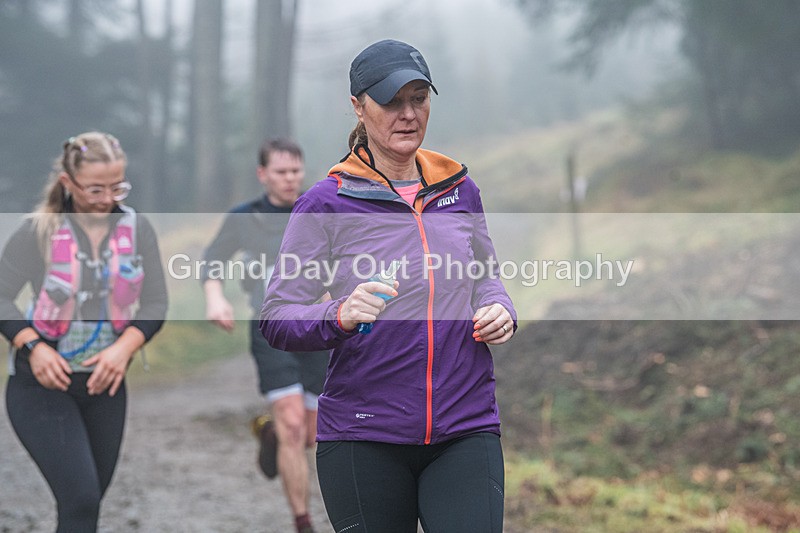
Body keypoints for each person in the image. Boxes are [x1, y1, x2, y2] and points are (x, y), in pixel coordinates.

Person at [260, 39, 516, 533]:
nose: (408, 114)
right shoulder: (325, 203)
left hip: (465, 426)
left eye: (418, 99)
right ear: (358, 106)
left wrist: (499, 306)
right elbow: (278, 314)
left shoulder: (458, 187)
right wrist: (338, 314)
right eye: (392, 101)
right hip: (363, 436)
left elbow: (484, 273)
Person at [0, 131, 168, 532]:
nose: (106, 198)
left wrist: (123, 348)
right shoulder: (36, 231)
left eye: (116, 186)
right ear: (68, 184)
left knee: (84, 507)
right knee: (80, 499)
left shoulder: (137, 228)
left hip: (104, 388)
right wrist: (34, 347)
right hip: (40, 387)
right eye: (95, 189)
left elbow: (156, 303)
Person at [201, 138, 327, 533]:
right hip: (270, 329)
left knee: (309, 433)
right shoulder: (245, 217)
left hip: (319, 328)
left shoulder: (319, 209)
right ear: (263, 174)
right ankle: (302, 522)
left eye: (295, 171)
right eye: (281, 172)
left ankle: (270, 433)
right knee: (293, 424)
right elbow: (211, 261)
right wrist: (215, 299)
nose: (290, 179)